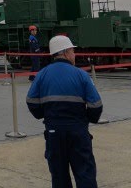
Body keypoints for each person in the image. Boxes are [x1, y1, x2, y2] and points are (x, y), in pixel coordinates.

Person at [25, 35, 103, 188]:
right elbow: (96, 105)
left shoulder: (42, 74)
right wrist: (87, 119)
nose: (74, 54)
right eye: (73, 51)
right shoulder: (81, 75)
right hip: (78, 131)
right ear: (66, 52)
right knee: (85, 173)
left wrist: (45, 114)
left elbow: (31, 101)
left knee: (59, 177)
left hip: (54, 132)